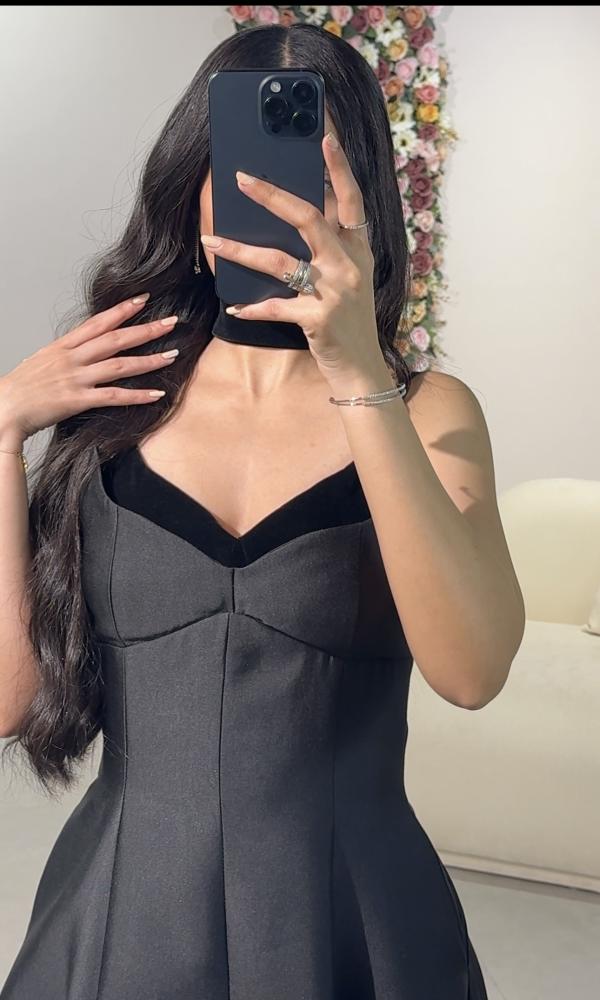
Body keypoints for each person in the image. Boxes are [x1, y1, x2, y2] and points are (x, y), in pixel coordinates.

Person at [0, 21, 524, 1000]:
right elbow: (10, 700)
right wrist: (0, 433)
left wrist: (358, 374)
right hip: (124, 923)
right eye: (236, 165)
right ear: (191, 182)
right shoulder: (115, 402)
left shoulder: (428, 413)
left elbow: (472, 670)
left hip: (358, 927)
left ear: (361, 196)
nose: (265, 197)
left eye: (305, 172)